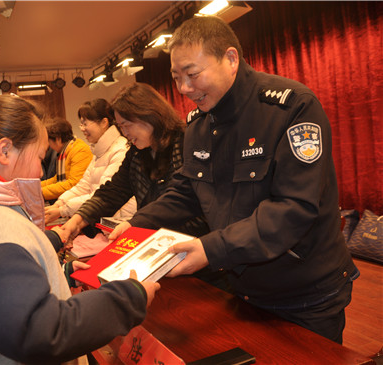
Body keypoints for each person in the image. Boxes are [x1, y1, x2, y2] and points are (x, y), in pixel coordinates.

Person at [116, 16, 358, 344]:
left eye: (192, 74)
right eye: (176, 78)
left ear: (230, 59)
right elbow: (186, 190)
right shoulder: (199, 126)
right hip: (243, 288)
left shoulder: (292, 107)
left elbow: (294, 209)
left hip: (305, 292)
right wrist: (136, 224)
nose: (185, 89)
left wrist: (210, 248)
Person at [0, 95, 159, 364]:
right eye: (38, 157)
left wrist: (59, 275)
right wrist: (129, 297)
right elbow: (42, 333)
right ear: (5, 151)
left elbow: (5, 297)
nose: (38, 171)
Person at [59, 82, 209, 244]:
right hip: (156, 240)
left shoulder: (186, 143)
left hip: (192, 242)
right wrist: (78, 219)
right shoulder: (137, 153)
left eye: (127, 125)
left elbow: (182, 202)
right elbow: (112, 192)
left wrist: (135, 223)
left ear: (149, 116)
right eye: (121, 126)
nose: (125, 133)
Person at [45, 98, 136, 225]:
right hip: (100, 219)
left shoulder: (120, 149)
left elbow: (103, 194)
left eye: (85, 123)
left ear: (104, 123)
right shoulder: (99, 150)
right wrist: (60, 203)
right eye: (81, 124)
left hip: (117, 221)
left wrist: (63, 210)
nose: (82, 128)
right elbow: (84, 186)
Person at [41, 117, 93, 202]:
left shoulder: (79, 150)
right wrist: (35, 186)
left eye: (49, 141)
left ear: (57, 139)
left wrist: (40, 192)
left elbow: (74, 183)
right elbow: (57, 179)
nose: (48, 146)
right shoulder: (66, 151)